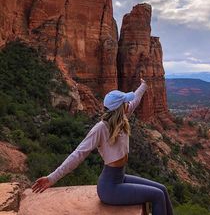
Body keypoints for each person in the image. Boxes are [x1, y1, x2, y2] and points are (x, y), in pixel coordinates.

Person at [32, 78, 174, 215]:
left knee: (162, 189)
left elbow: (135, 100)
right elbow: (78, 154)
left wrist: (144, 85)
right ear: (119, 107)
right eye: (125, 102)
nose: (127, 103)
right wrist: (51, 178)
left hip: (120, 177)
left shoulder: (122, 118)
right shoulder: (100, 128)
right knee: (157, 195)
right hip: (110, 188)